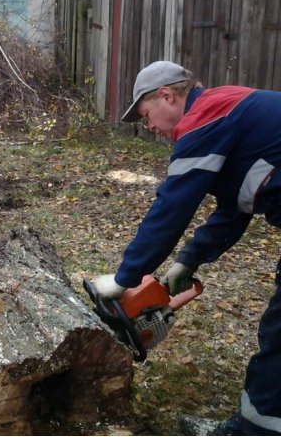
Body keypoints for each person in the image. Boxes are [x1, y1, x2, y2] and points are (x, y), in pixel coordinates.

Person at [90, 61, 281, 435]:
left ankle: (254, 429)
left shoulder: (205, 118)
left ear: (167, 96)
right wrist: (188, 260)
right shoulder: (228, 112)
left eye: (147, 115)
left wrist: (125, 278)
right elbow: (234, 209)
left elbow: (172, 207)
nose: (149, 127)